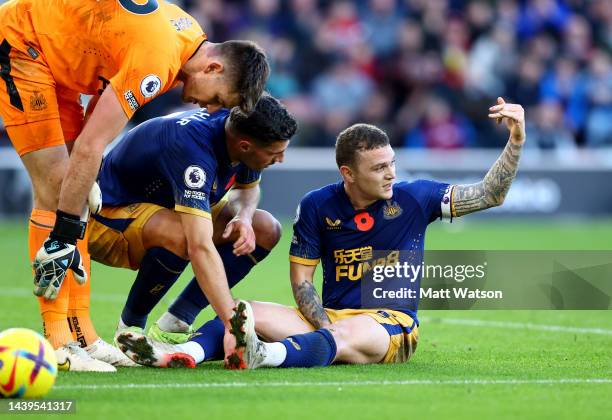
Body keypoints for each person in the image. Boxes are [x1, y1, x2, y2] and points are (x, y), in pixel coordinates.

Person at [116, 97, 525, 369]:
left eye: (392, 163)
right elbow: (301, 283)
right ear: (348, 173)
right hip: (326, 319)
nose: (391, 174)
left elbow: (490, 194)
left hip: (388, 323)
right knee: (245, 311)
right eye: (379, 168)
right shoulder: (317, 205)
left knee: (346, 333)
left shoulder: (415, 197)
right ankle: (180, 352)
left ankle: (267, 355)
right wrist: (320, 321)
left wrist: (517, 139)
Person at [0, 0, 269, 371]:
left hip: (56, 58)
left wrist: (83, 180)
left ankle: (83, 337)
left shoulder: (187, 33)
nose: (208, 109)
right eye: (218, 99)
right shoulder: (158, 63)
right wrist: (63, 232)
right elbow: (93, 146)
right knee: (58, 188)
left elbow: (108, 79)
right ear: (214, 67)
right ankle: (58, 341)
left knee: (73, 189)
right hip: (23, 45)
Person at [90, 94, 297, 368]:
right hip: (105, 220)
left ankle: (175, 322)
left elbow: (249, 190)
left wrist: (244, 217)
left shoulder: (237, 130)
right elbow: (199, 246)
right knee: (184, 235)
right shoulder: (193, 153)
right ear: (246, 146)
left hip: (160, 215)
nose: (281, 159)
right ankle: (131, 329)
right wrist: (233, 324)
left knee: (263, 228)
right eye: (274, 153)